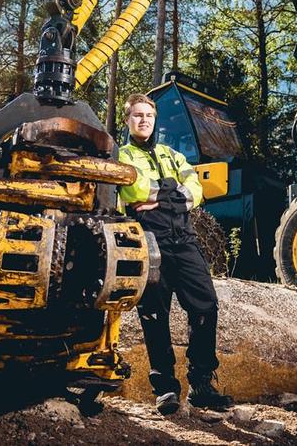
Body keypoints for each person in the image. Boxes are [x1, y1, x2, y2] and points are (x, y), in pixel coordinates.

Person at [117, 93, 233, 415]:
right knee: (154, 314)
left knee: (206, 303)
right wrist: (172, 192)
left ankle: (201, 384)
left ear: (155, 120)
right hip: (149, 240)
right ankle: (166, 390)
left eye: (149, 115)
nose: (144, 120)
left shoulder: (172, 154)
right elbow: (135, 189)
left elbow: (195, 185)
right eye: (137, 115)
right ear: (128, 120)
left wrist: (168, 195)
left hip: (183, 238)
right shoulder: (121, 155)